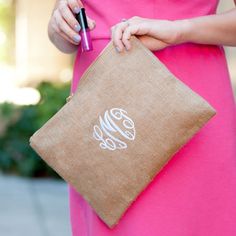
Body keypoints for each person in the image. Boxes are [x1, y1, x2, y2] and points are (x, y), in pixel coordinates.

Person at [48, 0, 236, 235]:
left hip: (189, 94)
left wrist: (180, 30)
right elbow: (64, 31)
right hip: (103, 100)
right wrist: (59, 26)